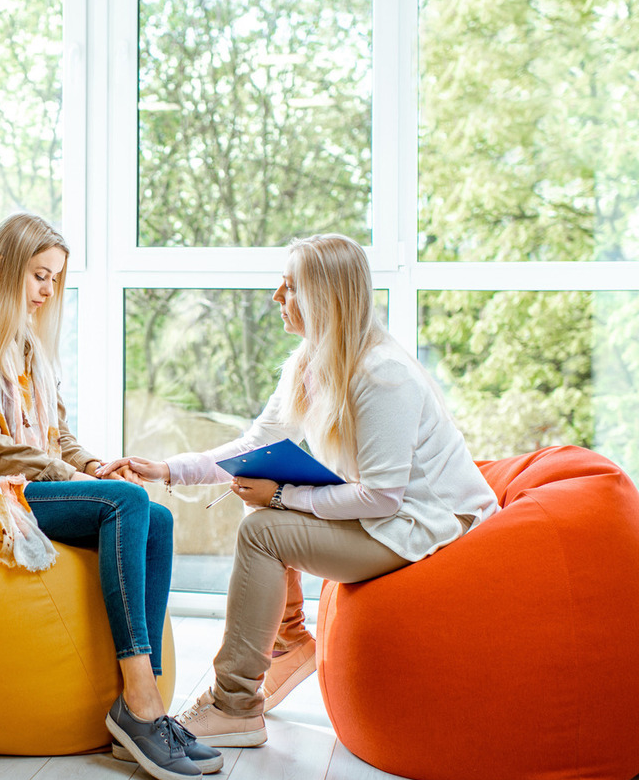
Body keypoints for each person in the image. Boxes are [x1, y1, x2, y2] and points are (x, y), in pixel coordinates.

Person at [101, 233, 500, 747]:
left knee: (264, 530)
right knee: (260, 521)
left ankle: (234, 706)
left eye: (288, 288)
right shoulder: (309, 364)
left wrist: (283, 497)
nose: (276, 298)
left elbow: (383, 497)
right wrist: (166, 471)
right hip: (390, 517)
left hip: (425, 528)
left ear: (324, 299)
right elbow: (253, 444)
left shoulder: (382, 375)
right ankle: (290, 641)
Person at [0, 212, 220, 780]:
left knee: (159, 519)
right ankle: (142, 703)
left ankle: (143, 712)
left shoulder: (25, 344)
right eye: (38, 275)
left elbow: (57, 436)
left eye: (56, 280)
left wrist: (95, 466)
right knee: (126, 504)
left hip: (27, 480)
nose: (48, 292)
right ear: (1, 267)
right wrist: (82, 479)